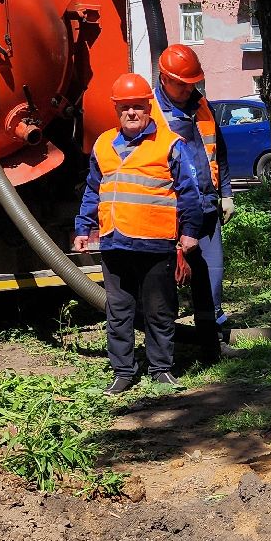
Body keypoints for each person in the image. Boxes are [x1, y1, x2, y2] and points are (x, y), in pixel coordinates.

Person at [73, 72, 214, 393]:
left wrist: (190, 231)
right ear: (116, 110)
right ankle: (123, 372)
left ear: (148, 107)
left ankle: (161, 368)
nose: (132, 113)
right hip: (114, 243)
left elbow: (189, 193)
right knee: (119, 312)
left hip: (156, 243)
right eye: (125, 108)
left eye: (138, 106)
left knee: (159, 309)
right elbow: (92, 191)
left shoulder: (169, 145)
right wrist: (84, 228)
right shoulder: (103, 145)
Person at [151, 44, 231, 355]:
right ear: (164, 78)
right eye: (182, 83)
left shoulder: (202, 106)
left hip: (208, 206)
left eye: (192, 82)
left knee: (212, 273)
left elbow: (218, 151)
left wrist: (226, 194)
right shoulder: (151, 112)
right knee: (168, 280)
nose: (189, 88)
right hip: (173, 212)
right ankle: (170, 347)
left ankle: (211, 340)